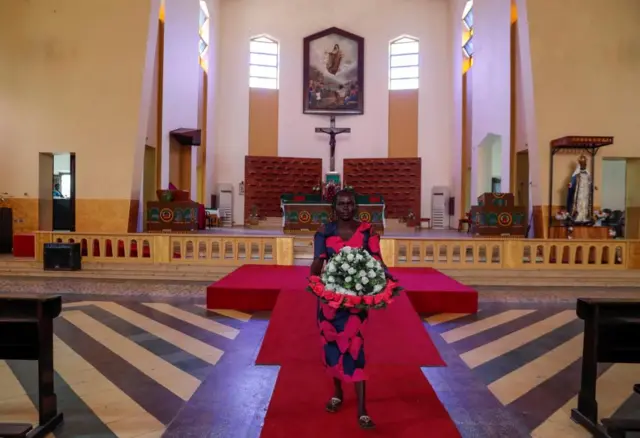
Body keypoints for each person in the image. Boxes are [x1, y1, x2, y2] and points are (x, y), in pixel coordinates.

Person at [310, 189, 392, 430]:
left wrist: (387, 281)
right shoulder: (324, 232)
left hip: (356, 303)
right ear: (334, 207)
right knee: (332, 346)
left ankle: (362, 409)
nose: (346, 207)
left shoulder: (367, 232)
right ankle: (337, 393)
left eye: (350, 204)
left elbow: (377, 261)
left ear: (356, 207)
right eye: (341, 204)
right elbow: (317, 263)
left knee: (356, 349)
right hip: (330, 303)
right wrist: (314, 279)